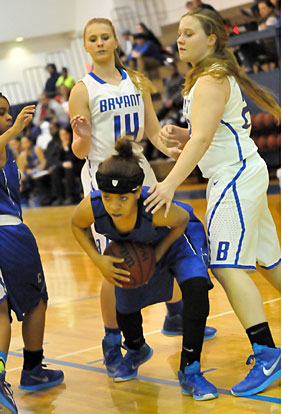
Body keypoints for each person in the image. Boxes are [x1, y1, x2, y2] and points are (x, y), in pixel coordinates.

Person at [143, 8, 281, 397]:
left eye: (189, 33)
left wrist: (169, 183)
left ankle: (268, 353)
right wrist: (184, 135)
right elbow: (206, 135)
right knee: (269, 260)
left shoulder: (210, 80)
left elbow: (204, 141)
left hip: (234, 176)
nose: (180, 40)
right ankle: (268, 351)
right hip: (241, 171)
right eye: (180, 33)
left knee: (225, 265)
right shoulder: (209, 78)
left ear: (213, 39)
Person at [69, 17, 217, 377]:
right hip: (106, 182)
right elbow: (78, 151)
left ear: (116, 41)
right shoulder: (82, 89)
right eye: (93, 39)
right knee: (117, 261)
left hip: (141, 174)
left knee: (158, 244)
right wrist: (83, 136)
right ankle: (112, 344)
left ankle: (176, 315)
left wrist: (178, 150)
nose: (101, 43)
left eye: (106, 37)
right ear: (86, 46)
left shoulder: (137, 81)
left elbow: (151, 132)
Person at [72, 139, 218, 400]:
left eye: (123, 198)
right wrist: (97, 259)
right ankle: (137, 348)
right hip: (140, 245)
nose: (114, 206)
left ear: (138, 191)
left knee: (195, 288)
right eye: (107, 198)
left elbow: (182, 220)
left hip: (176, 239)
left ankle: (191, 369)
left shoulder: (155, 207)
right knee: (124, 304)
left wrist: (158, 256)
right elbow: (76, 225)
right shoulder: (94, 205)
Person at [0, 90, 64, 412]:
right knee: (36, 300)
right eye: (1, 112)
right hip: (5, 232)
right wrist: (11, 130)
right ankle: (31, 369)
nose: (7, 117)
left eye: (8, 113)